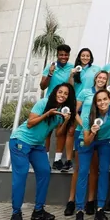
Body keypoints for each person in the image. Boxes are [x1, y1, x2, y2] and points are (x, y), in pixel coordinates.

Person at [8, 83, 76, 220]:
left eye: (65, 94)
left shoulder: (61, 112)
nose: (62, 95)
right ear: (55, 92)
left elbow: (58, 134)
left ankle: (38, 210)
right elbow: (30, 124)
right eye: (60, 92)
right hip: (21, 141)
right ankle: (16, 213)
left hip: (37, 145)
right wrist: (47, 114)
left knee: (45, 171)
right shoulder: (44, 103)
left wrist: (64, 121)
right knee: (21, 175)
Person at [74, 89, 110, 220]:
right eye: (99, 100)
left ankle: (100, 209)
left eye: (105, 99)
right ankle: (79, 211)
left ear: (109, 99)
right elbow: (87, 141)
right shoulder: (88, 116)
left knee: (104, 172)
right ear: (95, 103)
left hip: (106, 141)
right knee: (83, 172)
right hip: (88, 140)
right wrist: (93, 132)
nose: (102, 103)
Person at [65, 71, 109, 217]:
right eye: (99, 77)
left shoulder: (106, 95)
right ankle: (73, 202)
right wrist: (83, 123)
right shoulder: (85, 92)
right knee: (80, 169)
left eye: (104, 78)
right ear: (95, 78)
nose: (101, 79)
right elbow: (74, 110)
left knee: (95, 168)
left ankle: (91, 202)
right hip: (83, 130)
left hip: (100, 134)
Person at [40, 44, 75, 172]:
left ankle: (57, 160)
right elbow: (42, 86)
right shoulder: (50, 67)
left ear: (69, 55)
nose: (63, 57)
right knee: (47, 132)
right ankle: (45, 160)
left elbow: (72, 86)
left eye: (66, 55)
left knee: (61, 131)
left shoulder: (72, 67)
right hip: (50, 102)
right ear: (57, 55)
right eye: (61, 55)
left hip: (65, 103)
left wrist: (71, 75)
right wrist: (50, 74)